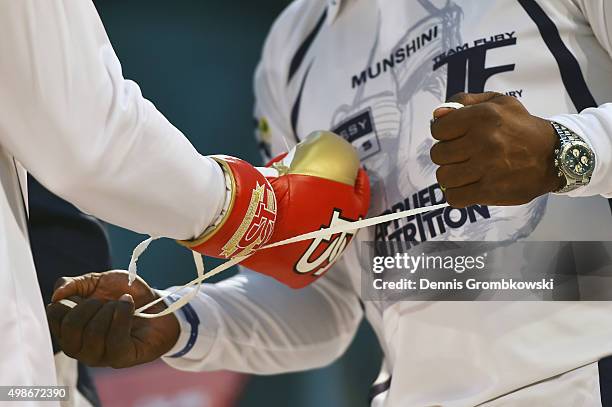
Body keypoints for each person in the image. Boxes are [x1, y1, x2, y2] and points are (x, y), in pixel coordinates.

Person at [48, 1, 612, 406]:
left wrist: (566, 151)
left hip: (586, 375)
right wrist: (178, 320)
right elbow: (325, 299)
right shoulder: (291, 48)